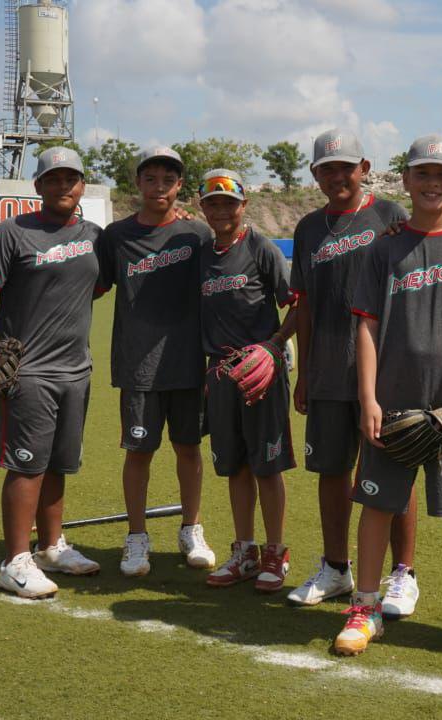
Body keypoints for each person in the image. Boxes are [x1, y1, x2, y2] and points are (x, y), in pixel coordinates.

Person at [334, 135, 442, 661]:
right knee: (377, 505)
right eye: (421, 174)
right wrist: (368, 398)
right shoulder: (383, 249)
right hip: (393, 404)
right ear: (405, 181)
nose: (432, 184)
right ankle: (364, 609)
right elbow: (366, 328)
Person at [0, 147, 103, 599]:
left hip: (76, 369)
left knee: (58, 463)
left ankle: (52, 546)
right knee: (27, 466)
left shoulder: (95, 236)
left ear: (81, 186)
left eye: (71, 179)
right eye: (53, 178)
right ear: (37, 185)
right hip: (27, 372)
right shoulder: (12, 233)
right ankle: (15, 561)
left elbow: (97, 287)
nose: (63, 186)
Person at [287, 129, 422, 615]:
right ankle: (336, 568)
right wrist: (302, 373)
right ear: (316, 175)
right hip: (325, 370)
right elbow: (302, 305)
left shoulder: (391, 215)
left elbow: (412, 291)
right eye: (327, 168)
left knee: (392, 472)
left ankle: (402, 574)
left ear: (364, 168)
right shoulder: (307, 229)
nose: (337, 176)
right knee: (330, 471)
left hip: (384, 374)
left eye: (346, 166)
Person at [94, 147, 215, 576]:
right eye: (151, 179)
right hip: (137, 365)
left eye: (169, 179)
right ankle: (137, 537)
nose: (159, 186)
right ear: (138, 183)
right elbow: (93, 287)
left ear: (180, 186)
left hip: (187, 363)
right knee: (139, 453)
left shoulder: (197, 235)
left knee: (189, 448)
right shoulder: (116, 236)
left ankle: (191, 528)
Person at [193, 169, 299, 592]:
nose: (221, 210)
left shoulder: (261, 248)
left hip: (262, 372)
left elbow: (296, 306)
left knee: (267, 466)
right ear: (203, 207)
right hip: (220, 373)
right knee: (235, 466)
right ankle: (245, 552)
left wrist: (274, 346)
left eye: (229, 202)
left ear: (244, 205)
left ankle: (276, 553)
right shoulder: (200, 253)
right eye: (213, 203)